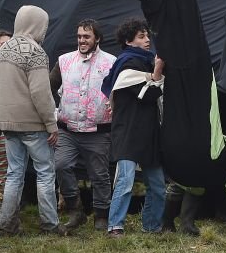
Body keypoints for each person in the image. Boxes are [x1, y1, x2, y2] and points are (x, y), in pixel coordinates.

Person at [0, 5, 67, 236]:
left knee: (14, 173)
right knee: (45, 172)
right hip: (32, 123)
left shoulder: (3, 50)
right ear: (37, 25)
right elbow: (41, 93)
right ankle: (50, 224)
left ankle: (7, 225)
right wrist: (51, 123)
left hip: (7, 122)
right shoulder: (35, 52)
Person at [50, 19, 116, 231]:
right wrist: (53, 112)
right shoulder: (64, 61)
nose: (81, 40)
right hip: (68, 129)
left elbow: (120, 91)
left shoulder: (111, 62)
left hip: (99, 130)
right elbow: (47, 87)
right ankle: (75, 210)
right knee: (60, 166)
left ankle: (101, 216)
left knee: (99, 175)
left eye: (86, 36)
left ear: (97, 38)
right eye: (79, 36)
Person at [105, 19, 165, 236]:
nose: (147, 39)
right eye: (141, 36)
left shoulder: (147, 62)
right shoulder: (127, 64)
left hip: (149, 133)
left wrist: (155, 70)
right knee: (125, 181)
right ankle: (115, 226)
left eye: (147, 35)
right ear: (129, 41)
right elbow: (147, 95)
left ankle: (152, 226)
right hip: (128, 132)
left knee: (157, 185)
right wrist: (157, 71)